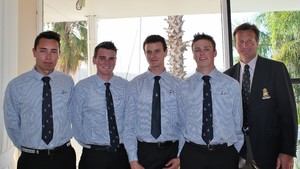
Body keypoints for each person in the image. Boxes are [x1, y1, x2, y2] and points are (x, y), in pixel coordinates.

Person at [224, 23, 298, 169]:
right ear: (235, 45)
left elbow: (288, 113)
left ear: (257, 42)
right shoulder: (228, 76)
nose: (245, 45)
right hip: (236, 151)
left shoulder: (276, 69)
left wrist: (287, 151)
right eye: (240, 41)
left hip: (270, 149)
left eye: (250, 41)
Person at [3, 31, 76, 169]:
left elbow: (73, 115)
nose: (48, 56)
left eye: (54, 51)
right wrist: (30, 148)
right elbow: (12, 123)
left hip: (64, 157)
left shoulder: (67, 82)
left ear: (59, 54)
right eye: (43, 50)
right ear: (34, 52)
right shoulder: (16, 85)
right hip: (31, 160)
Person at [179, 33, 244, 169]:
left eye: (207, 49)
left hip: (225, 155)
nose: (202, 53)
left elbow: (238, 123)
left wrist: (233, 151)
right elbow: (181, 123)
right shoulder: (184, 87)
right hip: (193, 154)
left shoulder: (231, 85)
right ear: (193, 55)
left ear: (214, 53)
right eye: (197, 50)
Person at [123, 34, 183, 169]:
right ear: (145, 54)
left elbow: (184, 124)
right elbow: (128, 126)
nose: (153, 56)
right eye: (148, 52)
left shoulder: (179, 85)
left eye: (157, 51)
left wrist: (180, 156)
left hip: (171, 152)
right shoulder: (134, 85)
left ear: (165, 52)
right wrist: (133, 160)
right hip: (144, 152)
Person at [71, 41, 130, 169]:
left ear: (115, 61)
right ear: (94, 60)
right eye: (102, 58)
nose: (107, 63)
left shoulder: (126, 86)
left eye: (111, 59)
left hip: (121, 155)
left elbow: (130, 120)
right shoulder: (82, 87)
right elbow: (76, 121)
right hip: (93, 156)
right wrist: (90, 144)